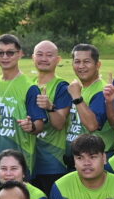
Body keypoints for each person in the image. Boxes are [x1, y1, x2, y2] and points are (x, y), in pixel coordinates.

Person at [0, 34, 39, 186]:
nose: (5, 57)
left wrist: (31, 126)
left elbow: (39, 124)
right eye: (0, 53)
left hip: (20, 164)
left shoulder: (30, 87)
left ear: (20, 54)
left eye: (10, 52)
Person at [22, 40, 76, 187]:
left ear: (58, 60)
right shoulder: (28, 84)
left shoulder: (61, 87)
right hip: (29, 158)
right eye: (39, 55)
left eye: (49, 55)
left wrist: (50, 107)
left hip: (52, 161)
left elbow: (59, 124)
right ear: (33, 58)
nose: (44, 59)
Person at [67, 43, 112, 154]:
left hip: (95, 158)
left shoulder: (102, 90)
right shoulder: (79, 88)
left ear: (98, 65)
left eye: (86, 61)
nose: (81, 66)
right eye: (77, 62)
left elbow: (92, 125)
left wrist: (77, 97)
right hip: (77, 156)